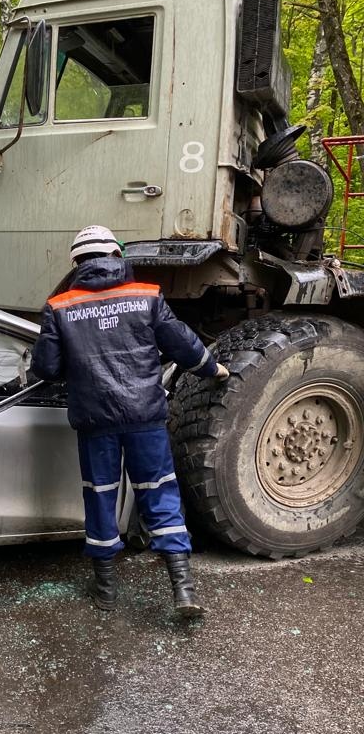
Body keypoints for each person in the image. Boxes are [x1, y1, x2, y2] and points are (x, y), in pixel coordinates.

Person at [30, 225, 229, 619]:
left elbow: (46, 369)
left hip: (95, 422)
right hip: (145, 418)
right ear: (117, 256)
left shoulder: (60, 306)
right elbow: (182, 343)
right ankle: (183, 590)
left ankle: (105, 590)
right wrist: (213, 368)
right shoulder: (147, 295)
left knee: (100, 497)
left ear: (75, 263)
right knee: (159, 493)